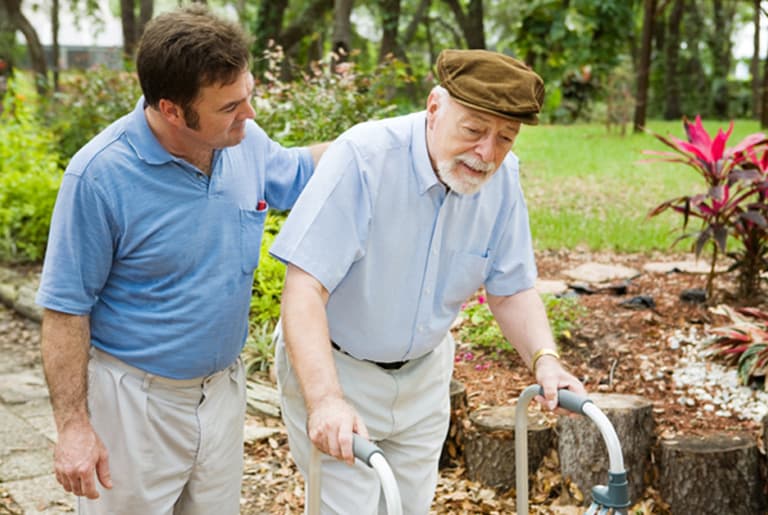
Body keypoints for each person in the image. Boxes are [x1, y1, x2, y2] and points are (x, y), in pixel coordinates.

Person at [35, 5, 329, 514]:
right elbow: (65, 309)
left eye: (249, 95)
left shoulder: (245, 142)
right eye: (230, 106)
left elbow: (302, 172)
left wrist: (392, 144)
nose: (250, 115)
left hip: (221, 394)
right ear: (172, 110)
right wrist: (74, 427)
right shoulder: (99, 176)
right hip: (134, 405)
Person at [269, 48, 586, 513]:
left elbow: (511, 286)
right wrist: (327, 400)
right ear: (434, 108)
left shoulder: (502, 177)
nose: (487, 153)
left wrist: (546, 361)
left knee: (407, 509)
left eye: (505, 138)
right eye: (474, 130)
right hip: (339, 372)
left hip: (423, 379)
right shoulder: (364, 158)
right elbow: (303, 290)